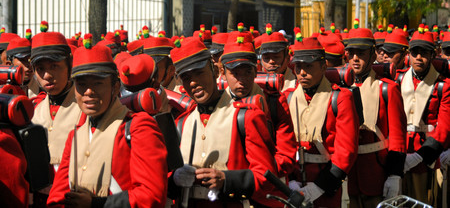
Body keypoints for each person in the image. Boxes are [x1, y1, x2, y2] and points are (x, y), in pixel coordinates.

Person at [47, 35, 168, 207]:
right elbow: (57, 196)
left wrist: (96, 204)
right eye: (81, 84)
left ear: (115, 86)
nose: (89, 91)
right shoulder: (76, 134)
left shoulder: (137, 128)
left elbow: (151, 196)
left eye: (98, 83)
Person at [169, 37, 283, 207]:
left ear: (215, 71)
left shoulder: (246, 117)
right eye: (186, 78)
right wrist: (174, 178)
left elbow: (266, 177)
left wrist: (226, 180)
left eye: (199, 73)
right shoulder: (181, 123)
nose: (193, 82)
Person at [287, 36, 359, 207]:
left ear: (323, 66)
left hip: (326, 184)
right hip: (294, 183)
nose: (302, 72)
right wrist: (289, 180)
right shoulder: (288, 97)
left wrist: (319, 187)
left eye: (308, 66)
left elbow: (346, 151)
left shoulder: (340, 98)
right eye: (298, 67)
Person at [345, 24, 407, 208]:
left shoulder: (387, 89)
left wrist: (395, 174)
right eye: (351, 53)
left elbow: (397, 135)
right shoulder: (340, 91)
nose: (355, 58)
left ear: (373, 56)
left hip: (377, 171)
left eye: (361, 53)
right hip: (349, 173)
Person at [220, 34, 297, 178]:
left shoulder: (274, 102)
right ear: (223, 73)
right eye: (235, 74)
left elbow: (286, 154)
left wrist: (262, 174)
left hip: (266, 185)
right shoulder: (216, 105)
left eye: (247, 72)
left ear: (256, 71)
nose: (241, 80)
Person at [400, 25, 450, 205]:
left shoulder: (442, 85)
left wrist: (420, 156)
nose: (419, 57)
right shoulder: (399, 79)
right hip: (400, 153)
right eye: (415, 52)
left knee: (421, 201)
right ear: (409, 55)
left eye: (424, 53)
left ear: (432, 55)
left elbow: (443, 128)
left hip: (425, 155)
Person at [31, 29, 85, 172]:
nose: (47, 75)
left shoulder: (86, 107)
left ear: (69, 64)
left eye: (54, 66)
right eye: (40, 68)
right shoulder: (35, 109)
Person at [259, 24, 296, 92]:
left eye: (276, 57)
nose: (271, 61)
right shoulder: (254, 83)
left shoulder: (297, 83)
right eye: (266, 58)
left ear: (287, 58)